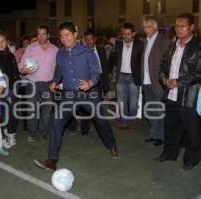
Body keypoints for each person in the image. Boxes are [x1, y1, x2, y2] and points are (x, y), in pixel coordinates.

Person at [34, 22, 118, 171]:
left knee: (102, 121)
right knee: (56, 124)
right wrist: (54, 82)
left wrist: (90, 82)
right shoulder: (60, 53)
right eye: (61, 36)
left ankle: (111, 144)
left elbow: (96, 72)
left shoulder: (87, 52)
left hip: (89, 94)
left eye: (67, 35)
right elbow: (59, 70)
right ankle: (51, 160)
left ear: (75, 35)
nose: (64, 38)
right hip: (69, 95)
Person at [156, 13, 201, 171]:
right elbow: (162, 67)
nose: (179, 29)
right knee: (171, 127)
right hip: (171, 95)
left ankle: (192, 160)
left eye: (183, 26)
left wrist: (179, 82)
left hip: (189, 97)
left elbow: (199, 72)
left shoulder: (198, 46)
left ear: (192, 27)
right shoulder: (172, 46)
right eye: (177, 26)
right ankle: (169, 154)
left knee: (192, 131)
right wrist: (164, 79)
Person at [19, 25, 58, 141]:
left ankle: (43, 131)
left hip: (48, 85)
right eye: (39, 34)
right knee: (32, 111)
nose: (41, 37)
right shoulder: (31, 48)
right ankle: (32, 133)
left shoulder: (55, 50)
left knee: (46, 111)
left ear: (48, 35)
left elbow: (59, 68)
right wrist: (23, 70)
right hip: (32, 84)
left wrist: (56, 82)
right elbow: (22, 63)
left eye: (43, 34)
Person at [141, 16, 171, 146]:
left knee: (160, 110)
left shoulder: (165, 41)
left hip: (158, 83)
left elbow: (168, 63)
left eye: (148, 27)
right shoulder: (146, 41)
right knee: (151, 110)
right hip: (146, 81)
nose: (145, 29)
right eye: (144, 27)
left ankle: (162, 136)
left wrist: (165, 79)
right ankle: (154, 134)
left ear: (155, 26)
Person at [0, 31, 21, 148]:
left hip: (10, 90)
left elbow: (16, 73)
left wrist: (16, 88)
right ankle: (3, 133)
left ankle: (11, 133)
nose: (0, 43)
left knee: (13, 112)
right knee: (0, 114)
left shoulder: (10, 55)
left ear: (6, 42)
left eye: (3, 41)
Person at [114, 23, 143, 132]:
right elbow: (116, 59)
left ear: (133, 34)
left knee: (133, 102)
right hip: (121, 76)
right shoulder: (118, 44)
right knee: (121, 101)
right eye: (124, 34)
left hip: (133, 77)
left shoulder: (140, 45)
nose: (126, 36)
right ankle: (124, 122)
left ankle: (132, 123)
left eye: (128, 34)